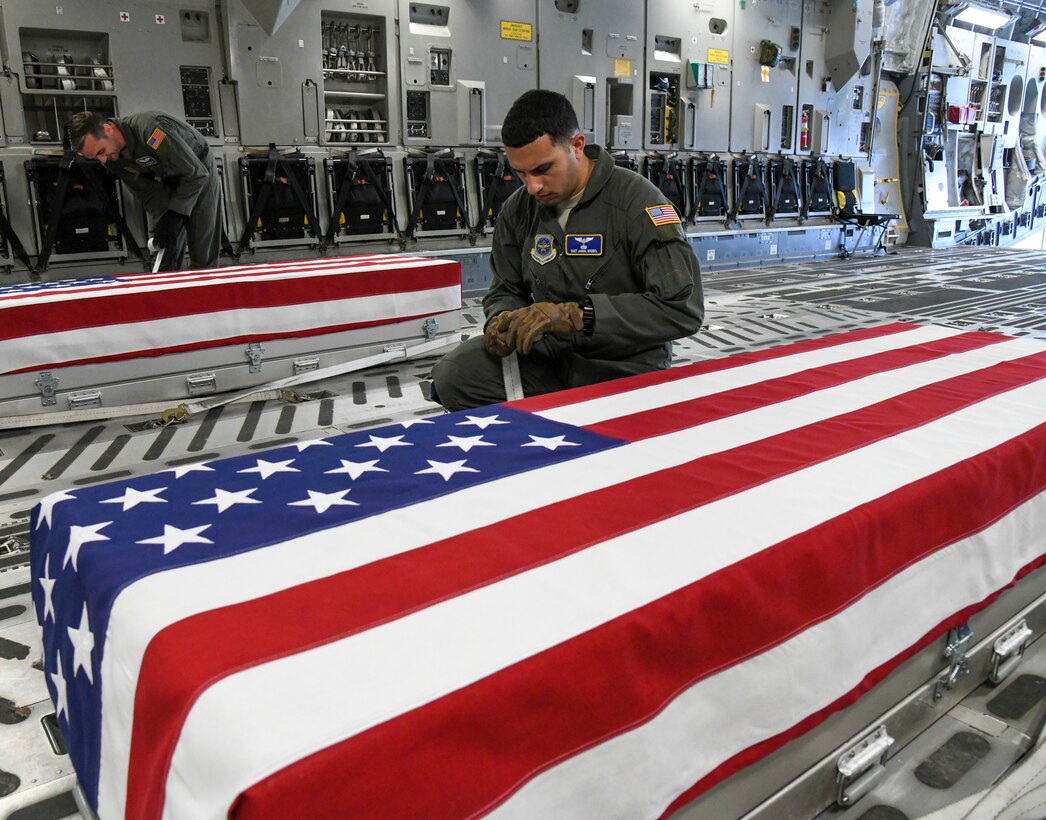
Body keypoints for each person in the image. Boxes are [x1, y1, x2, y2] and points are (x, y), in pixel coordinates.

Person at [430, 89, 704, 411]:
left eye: (543, 169)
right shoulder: (519, 210)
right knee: (455, 374)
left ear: (577, 145)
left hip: (622, 366)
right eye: (521, 173)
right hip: (550, 358)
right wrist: (500, 319)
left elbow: (682, 308)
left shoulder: (638, 204)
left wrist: (577, 317)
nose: (532, 187)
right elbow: (505, 288)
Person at [68, 111, 221, 270]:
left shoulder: (151, 131)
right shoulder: (112, 160)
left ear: (108, 129)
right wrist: (164, 220)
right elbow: (148, 192)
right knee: (164, 250)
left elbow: (196, 174)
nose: (103, 160)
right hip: (169, 178)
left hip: (199, 169)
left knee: (203, 254)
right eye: (96, 157)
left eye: (101, 151)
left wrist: (175, 213)